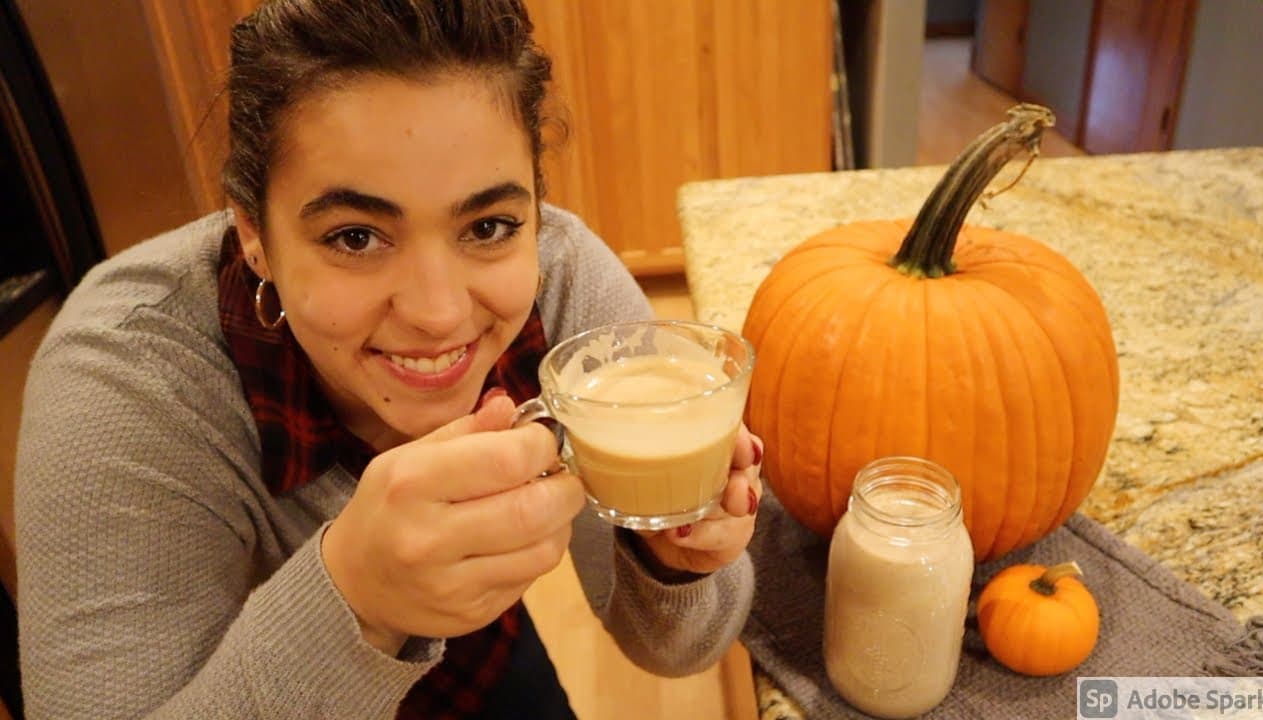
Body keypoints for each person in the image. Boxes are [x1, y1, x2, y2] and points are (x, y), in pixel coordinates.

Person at [14, 1, 763, 717]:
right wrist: (357, 601)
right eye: (355, 237)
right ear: (252, 235)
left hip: (472, 665)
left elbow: (680, 650)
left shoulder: (562, 282)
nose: (438, 313)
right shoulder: (130, 380)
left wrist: (674, 559)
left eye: (491, 224)